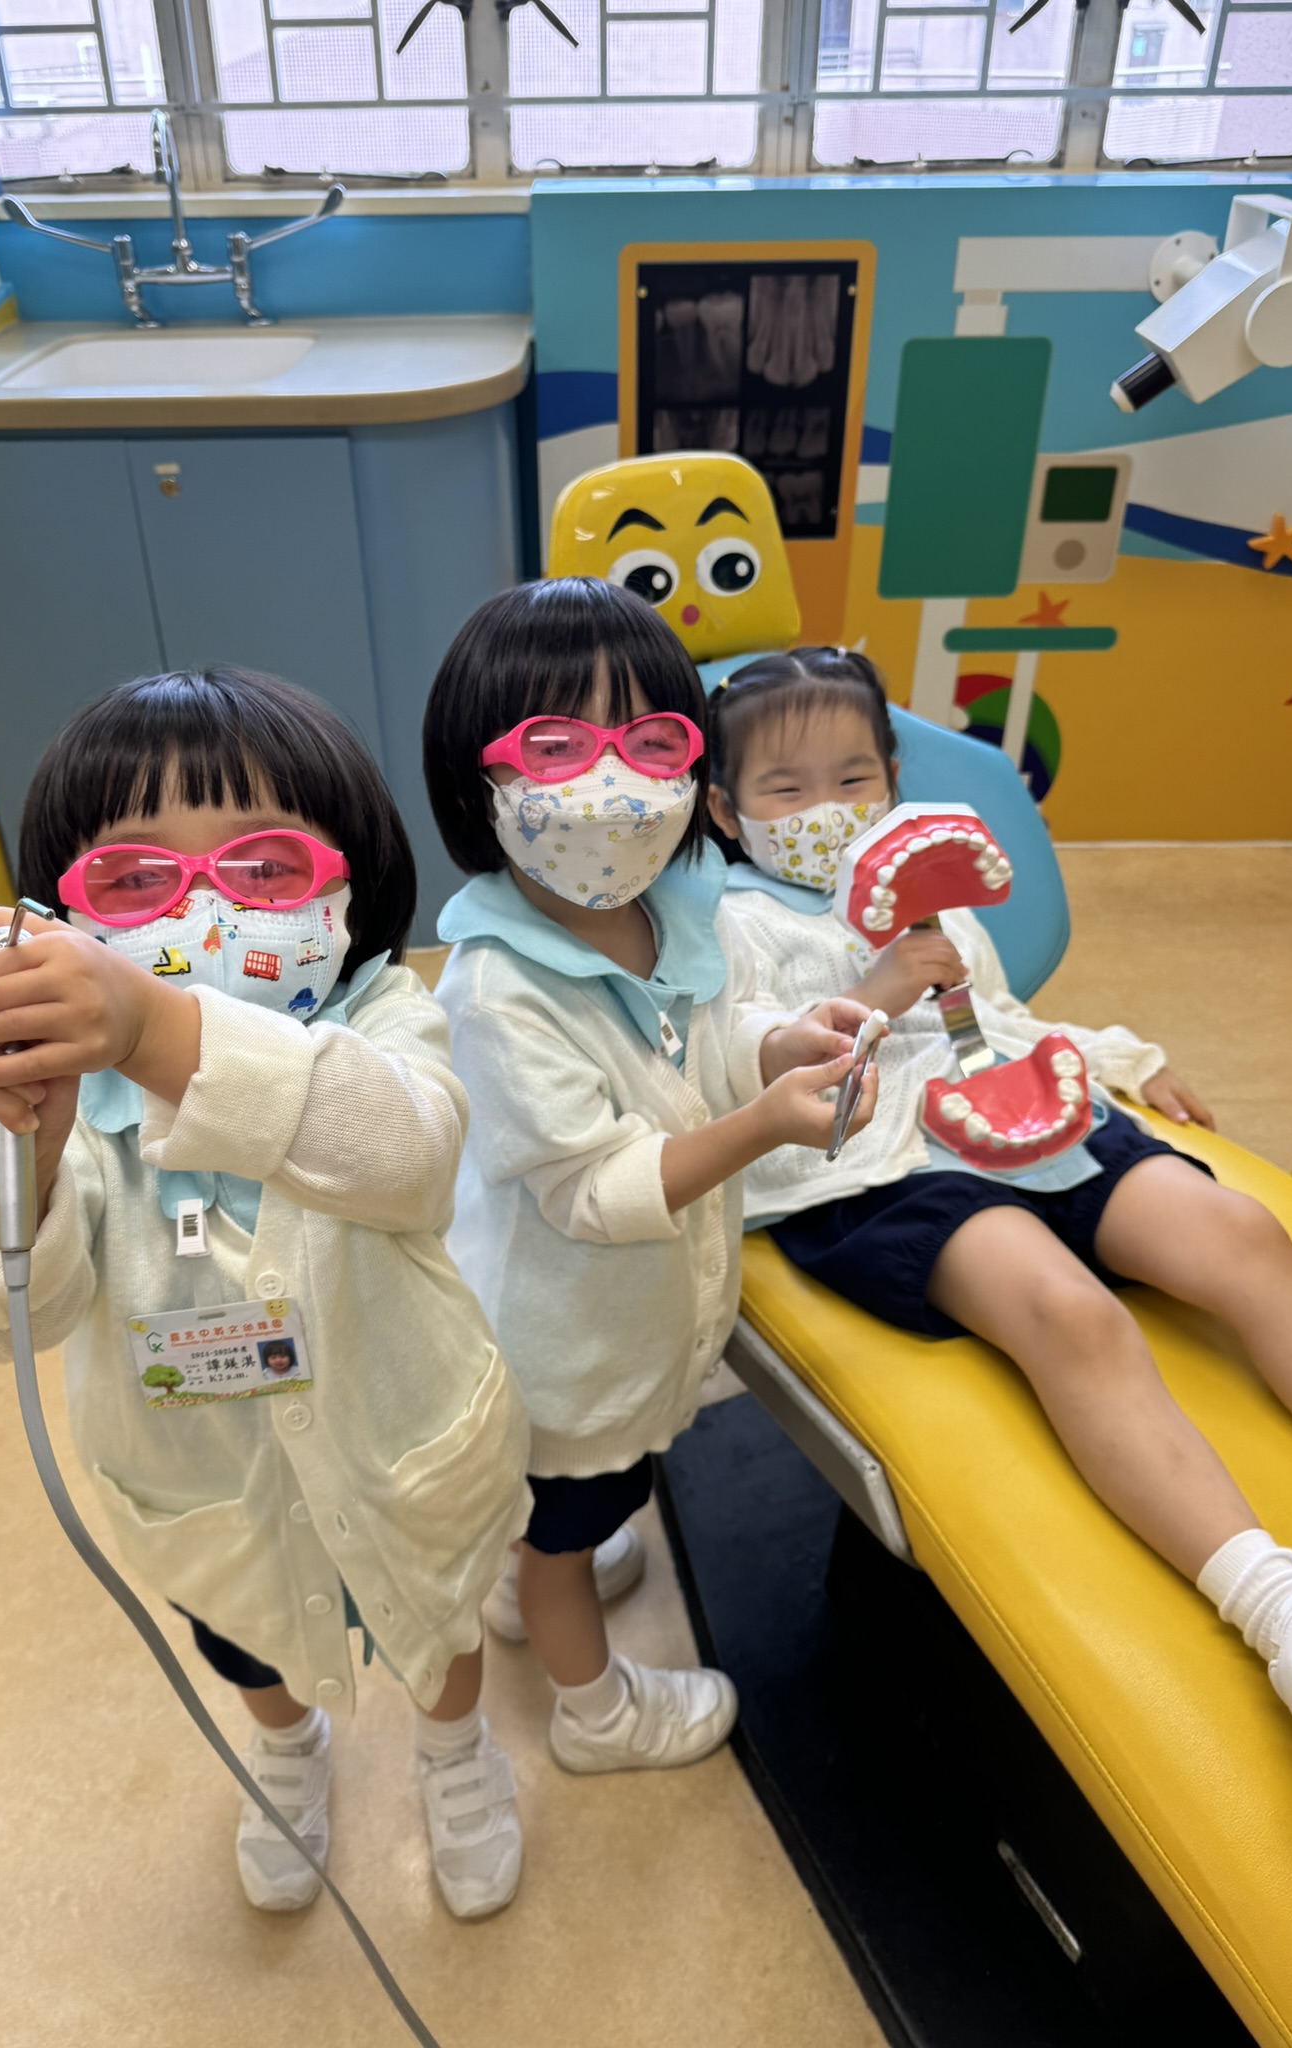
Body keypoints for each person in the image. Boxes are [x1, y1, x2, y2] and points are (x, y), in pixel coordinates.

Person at [0, 667, 533, 1919]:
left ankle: (457, 1751)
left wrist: (156, 1027)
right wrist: (1, 1153)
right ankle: (288, 1747)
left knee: (442, 1614)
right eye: (136, 878)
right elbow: (9, 1309)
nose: (201, 908)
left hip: (403, 1441)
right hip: (202, 1483)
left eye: (264, 866)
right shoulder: (70, 1094)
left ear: (349, 882)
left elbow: (409, 1154)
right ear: (61, 917)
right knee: (244, 1630)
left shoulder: (385, 1013)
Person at [706, 645, 1292, 1787]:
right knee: (1071, 1313)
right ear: (724, 809)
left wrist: (1118, 1058)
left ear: (892, 776)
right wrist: (877, 991)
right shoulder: (725, 921)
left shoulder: (932, 892)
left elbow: (999, 1018)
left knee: (1244, 1236)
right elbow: (741, 1070)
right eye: (786, 788)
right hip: (875, 1159)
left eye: (854, 778)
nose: (827, 809)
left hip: (1020, 1111)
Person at [421, 580, 877, 1774]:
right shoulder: (496, 987)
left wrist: (780, 1044)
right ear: (475, 776)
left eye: (650, 740)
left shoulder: (670, 911)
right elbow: (596, 1188)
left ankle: (532, 1567)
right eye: (558, 745)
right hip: (562, 1348)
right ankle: (595, 1712)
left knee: (573, 1505)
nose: (612, 782)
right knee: (568, 1533)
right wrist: (764, 1123)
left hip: (628, 1329)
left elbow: (707, 1034)